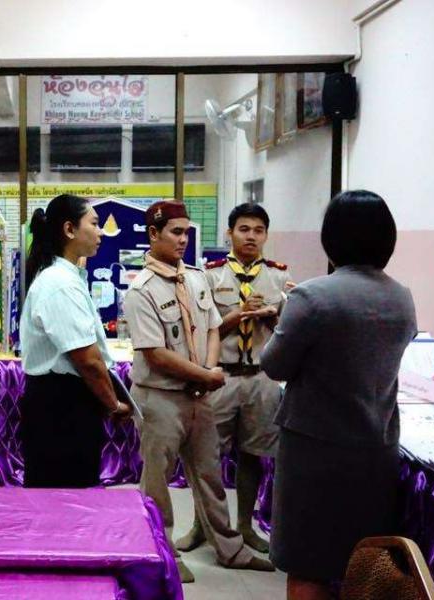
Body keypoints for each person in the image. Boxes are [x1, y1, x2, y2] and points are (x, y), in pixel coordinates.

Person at [261, 190, 417, 600]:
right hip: (376, 449)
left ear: (331, 239)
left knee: (307, 565)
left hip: (314, 453)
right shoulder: (402, 297)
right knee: (362, 566)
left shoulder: (312, 297)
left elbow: (274, 365)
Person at [123, 201, 274, 583]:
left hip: (199, 396)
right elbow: (155, 354)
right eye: (175, 232)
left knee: (209, 475)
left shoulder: (195, 278)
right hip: (160, 398)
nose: (182, 239)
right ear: (154, 234)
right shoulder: (141, 289)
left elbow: (211, 328)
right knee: (156, 482)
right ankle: (164, 555)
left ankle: (230, 548)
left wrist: (207, 372)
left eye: (186, 233)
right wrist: (205, 375)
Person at [179, 203, 293, 554]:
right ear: (230, 233)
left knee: (253, 455)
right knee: (207, 457)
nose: (251, 237)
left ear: (266, 235)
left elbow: (288, 332)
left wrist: (272, 317)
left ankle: (245, 526)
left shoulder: (278, 277)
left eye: (258, 230)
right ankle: (202, 525)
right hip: (221, 377)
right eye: (244, 229)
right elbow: (204, 330)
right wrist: (239, 313)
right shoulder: (210, 276)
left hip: (261, 377)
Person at [19, 194, 131, 489]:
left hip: (66, 401)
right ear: (69, 229)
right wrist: (112, 404)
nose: (100, 232)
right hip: (61, 406)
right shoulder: (60, 283)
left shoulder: (67, 277)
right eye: (94, 224)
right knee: (63, 496)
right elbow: (88, 360)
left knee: (72, 490)